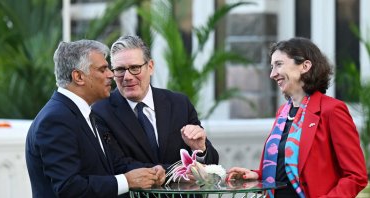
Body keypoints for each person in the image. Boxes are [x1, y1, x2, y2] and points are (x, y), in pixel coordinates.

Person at [227, 37, 368, 197]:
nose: (273, 74)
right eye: (272, 67)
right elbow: (286, 167)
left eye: (279, 64)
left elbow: (356, 176)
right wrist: (258, 176)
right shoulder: (283, 113)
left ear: (305, 66)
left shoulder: (332, 110)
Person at [25, 40, 162, 198]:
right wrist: (126, 181)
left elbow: (111, 165)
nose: (111, 74)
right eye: (102, 69)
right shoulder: (56, 119)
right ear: (78, 76)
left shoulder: (83, 113)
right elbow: (68, 187)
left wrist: (154, 173)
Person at [92, 35, 219, 178]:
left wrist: (200, 149)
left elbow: (212, 163)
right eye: (120, 69)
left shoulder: (179, 104)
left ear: (150, 67)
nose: (127, 76)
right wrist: (179, 172)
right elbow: (118, 165)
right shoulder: (101, 113)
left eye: (134, 68)